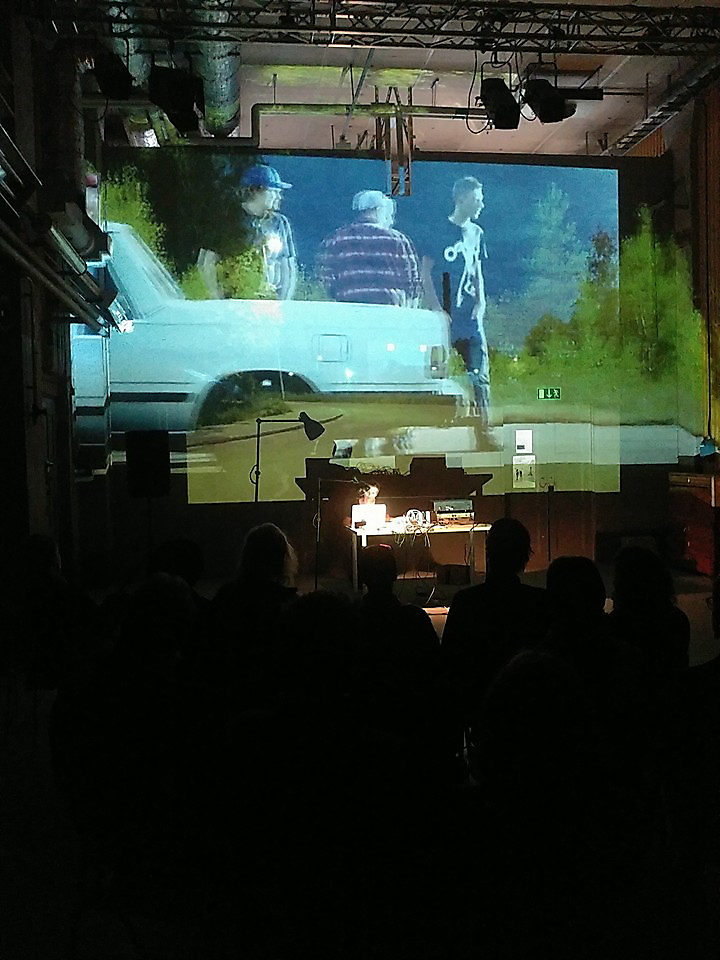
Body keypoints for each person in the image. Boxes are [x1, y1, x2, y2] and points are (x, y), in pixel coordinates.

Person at [422, 176, 490, 421]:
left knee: (480, 375)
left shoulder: (477, 233)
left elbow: (477, 269)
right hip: (444, 316)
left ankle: (484, 429)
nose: (481, 204)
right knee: (438, 371)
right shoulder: (438, 230)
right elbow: (425, 272)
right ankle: (439, 421)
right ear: (461, 199)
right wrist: (436, 308)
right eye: (476, 199)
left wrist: (480, 302)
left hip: (469, 315)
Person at [317, 189, 421, 306]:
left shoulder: (337, 239)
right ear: (379, 209)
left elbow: (326, 279)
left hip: (348, 308)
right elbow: (411, 283)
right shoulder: (398, 239)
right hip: (390, 309)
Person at [240, 163, 297, 299]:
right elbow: (208, 263)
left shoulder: (279, 223)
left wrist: (283, 303)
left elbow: (288, 269)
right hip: (237, 301)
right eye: (274, 191)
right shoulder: (231, 220)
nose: (279, 197)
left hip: (269, 300)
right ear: (255, 191)